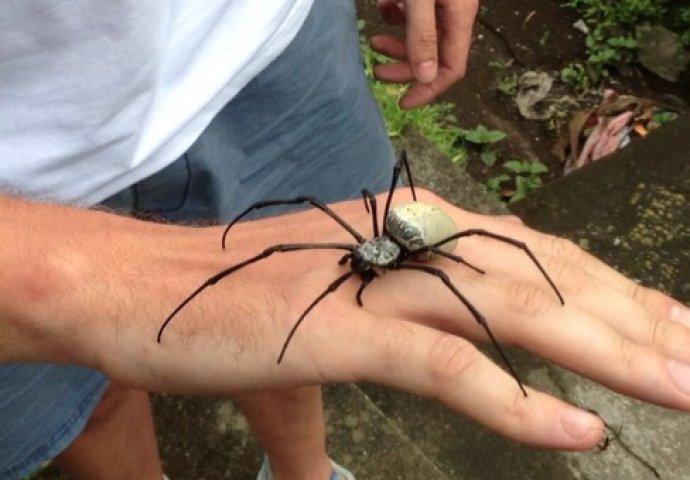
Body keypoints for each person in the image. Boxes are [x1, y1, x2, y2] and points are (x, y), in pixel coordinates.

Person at [1, 0, 689, 479]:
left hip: (261, 36)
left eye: (363, 259)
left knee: (300, 328)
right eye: (361, 258)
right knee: (96, 376)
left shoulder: (392, 248)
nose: (357, 262)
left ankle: (306, 472)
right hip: (30, 157)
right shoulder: (360, 251)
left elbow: (410, 255)